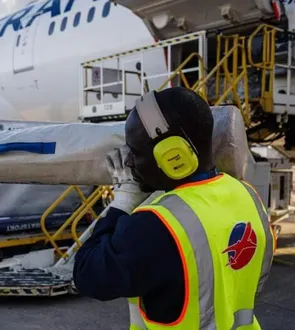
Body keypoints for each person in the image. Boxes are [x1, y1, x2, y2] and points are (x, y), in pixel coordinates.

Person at [73, 87, 276, 329]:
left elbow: (87, 274)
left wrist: (122, 204)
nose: (129, 162)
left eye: (136, 152)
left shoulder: (157, 225)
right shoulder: (248, 196)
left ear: (174, 157)